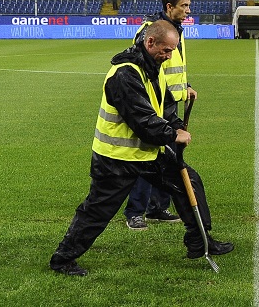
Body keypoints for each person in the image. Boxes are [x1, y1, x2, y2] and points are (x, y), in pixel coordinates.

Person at [49, 20, 233, 276]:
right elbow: (142, 120)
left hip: (146, 153)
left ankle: (199, 241)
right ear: (150, 42)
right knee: (97, 210)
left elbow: (165, 105)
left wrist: (177, 125)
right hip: (116, 158)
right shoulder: (124, 74)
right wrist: (172, 134)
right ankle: (62, 259)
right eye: (166, 50)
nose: (169, 56)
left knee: (188, 181)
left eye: (172, 51)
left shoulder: (154, 67)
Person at [123, 0, 196, 230]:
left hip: (171, 103)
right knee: (147, 156)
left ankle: (158, 207)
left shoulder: (178, 31)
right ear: (169, 7)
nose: (188, 10)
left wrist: (186, 86)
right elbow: (143, 66)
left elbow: (173, 66)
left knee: (171, 157)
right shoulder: (149, 31)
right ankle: (135, 212)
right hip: (153, 103)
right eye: (183, 5)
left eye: (188, 5)